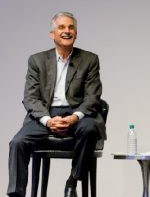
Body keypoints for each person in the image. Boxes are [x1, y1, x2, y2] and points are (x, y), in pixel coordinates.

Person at [7, 12, 105, 197]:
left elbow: (93, 97)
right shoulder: (37, 60)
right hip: (45, 114)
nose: (67, 31)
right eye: (61, 27)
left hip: (77, 115)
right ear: (52, 34)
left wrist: (74, 117)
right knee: (18, 142)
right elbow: (30, 98)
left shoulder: (90, 60)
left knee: (90, 129)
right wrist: (47, 120)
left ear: (76, 33)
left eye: (71, 27)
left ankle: (72, 182)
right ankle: (16, 194)